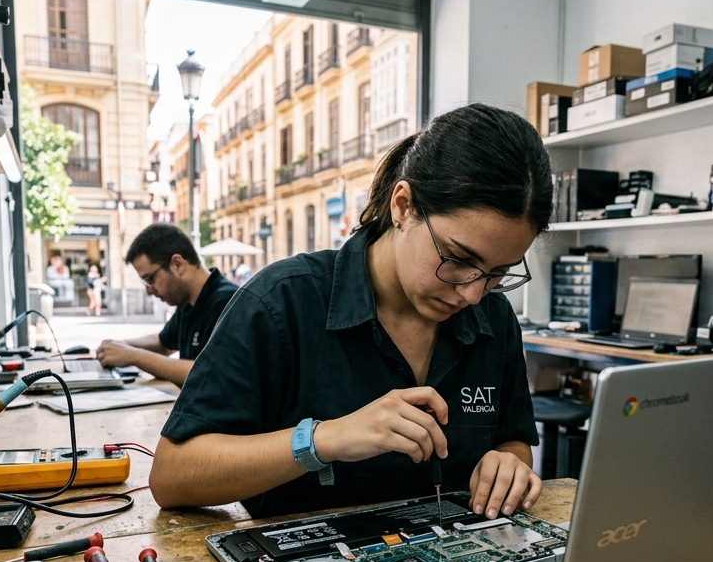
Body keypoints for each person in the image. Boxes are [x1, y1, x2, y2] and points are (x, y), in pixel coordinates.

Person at [149, 103, 549, 520]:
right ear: (403, 205)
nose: (471, 294)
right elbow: (173, 475)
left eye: (497, 273)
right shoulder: (281, 303)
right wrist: (324, 440)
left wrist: (509, 464)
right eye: (457, 258)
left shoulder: (495, 317)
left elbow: (512, 440)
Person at [95, 223, 238, 386]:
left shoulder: (227, 302)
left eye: (150, 279)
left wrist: (133, 355)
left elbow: (209, 373)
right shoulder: (189, 300)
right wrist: (120, 347)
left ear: (177, 264)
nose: (149, 291)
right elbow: (164, 344)